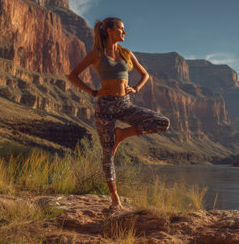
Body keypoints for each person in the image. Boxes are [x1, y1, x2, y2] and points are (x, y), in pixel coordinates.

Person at [68, 17, 170, 210]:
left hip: (125, 104)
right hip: (105, 106)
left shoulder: (127, 54)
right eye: (121, 29)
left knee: (162, 122)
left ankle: (123, 134)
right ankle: (115, 200)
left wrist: (136, 88)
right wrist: (93, 92)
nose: (124, 32)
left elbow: (145, 74)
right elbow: (73, 75)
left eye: (124, 29)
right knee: (107, 154)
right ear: (108, 30)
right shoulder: (96, 54)